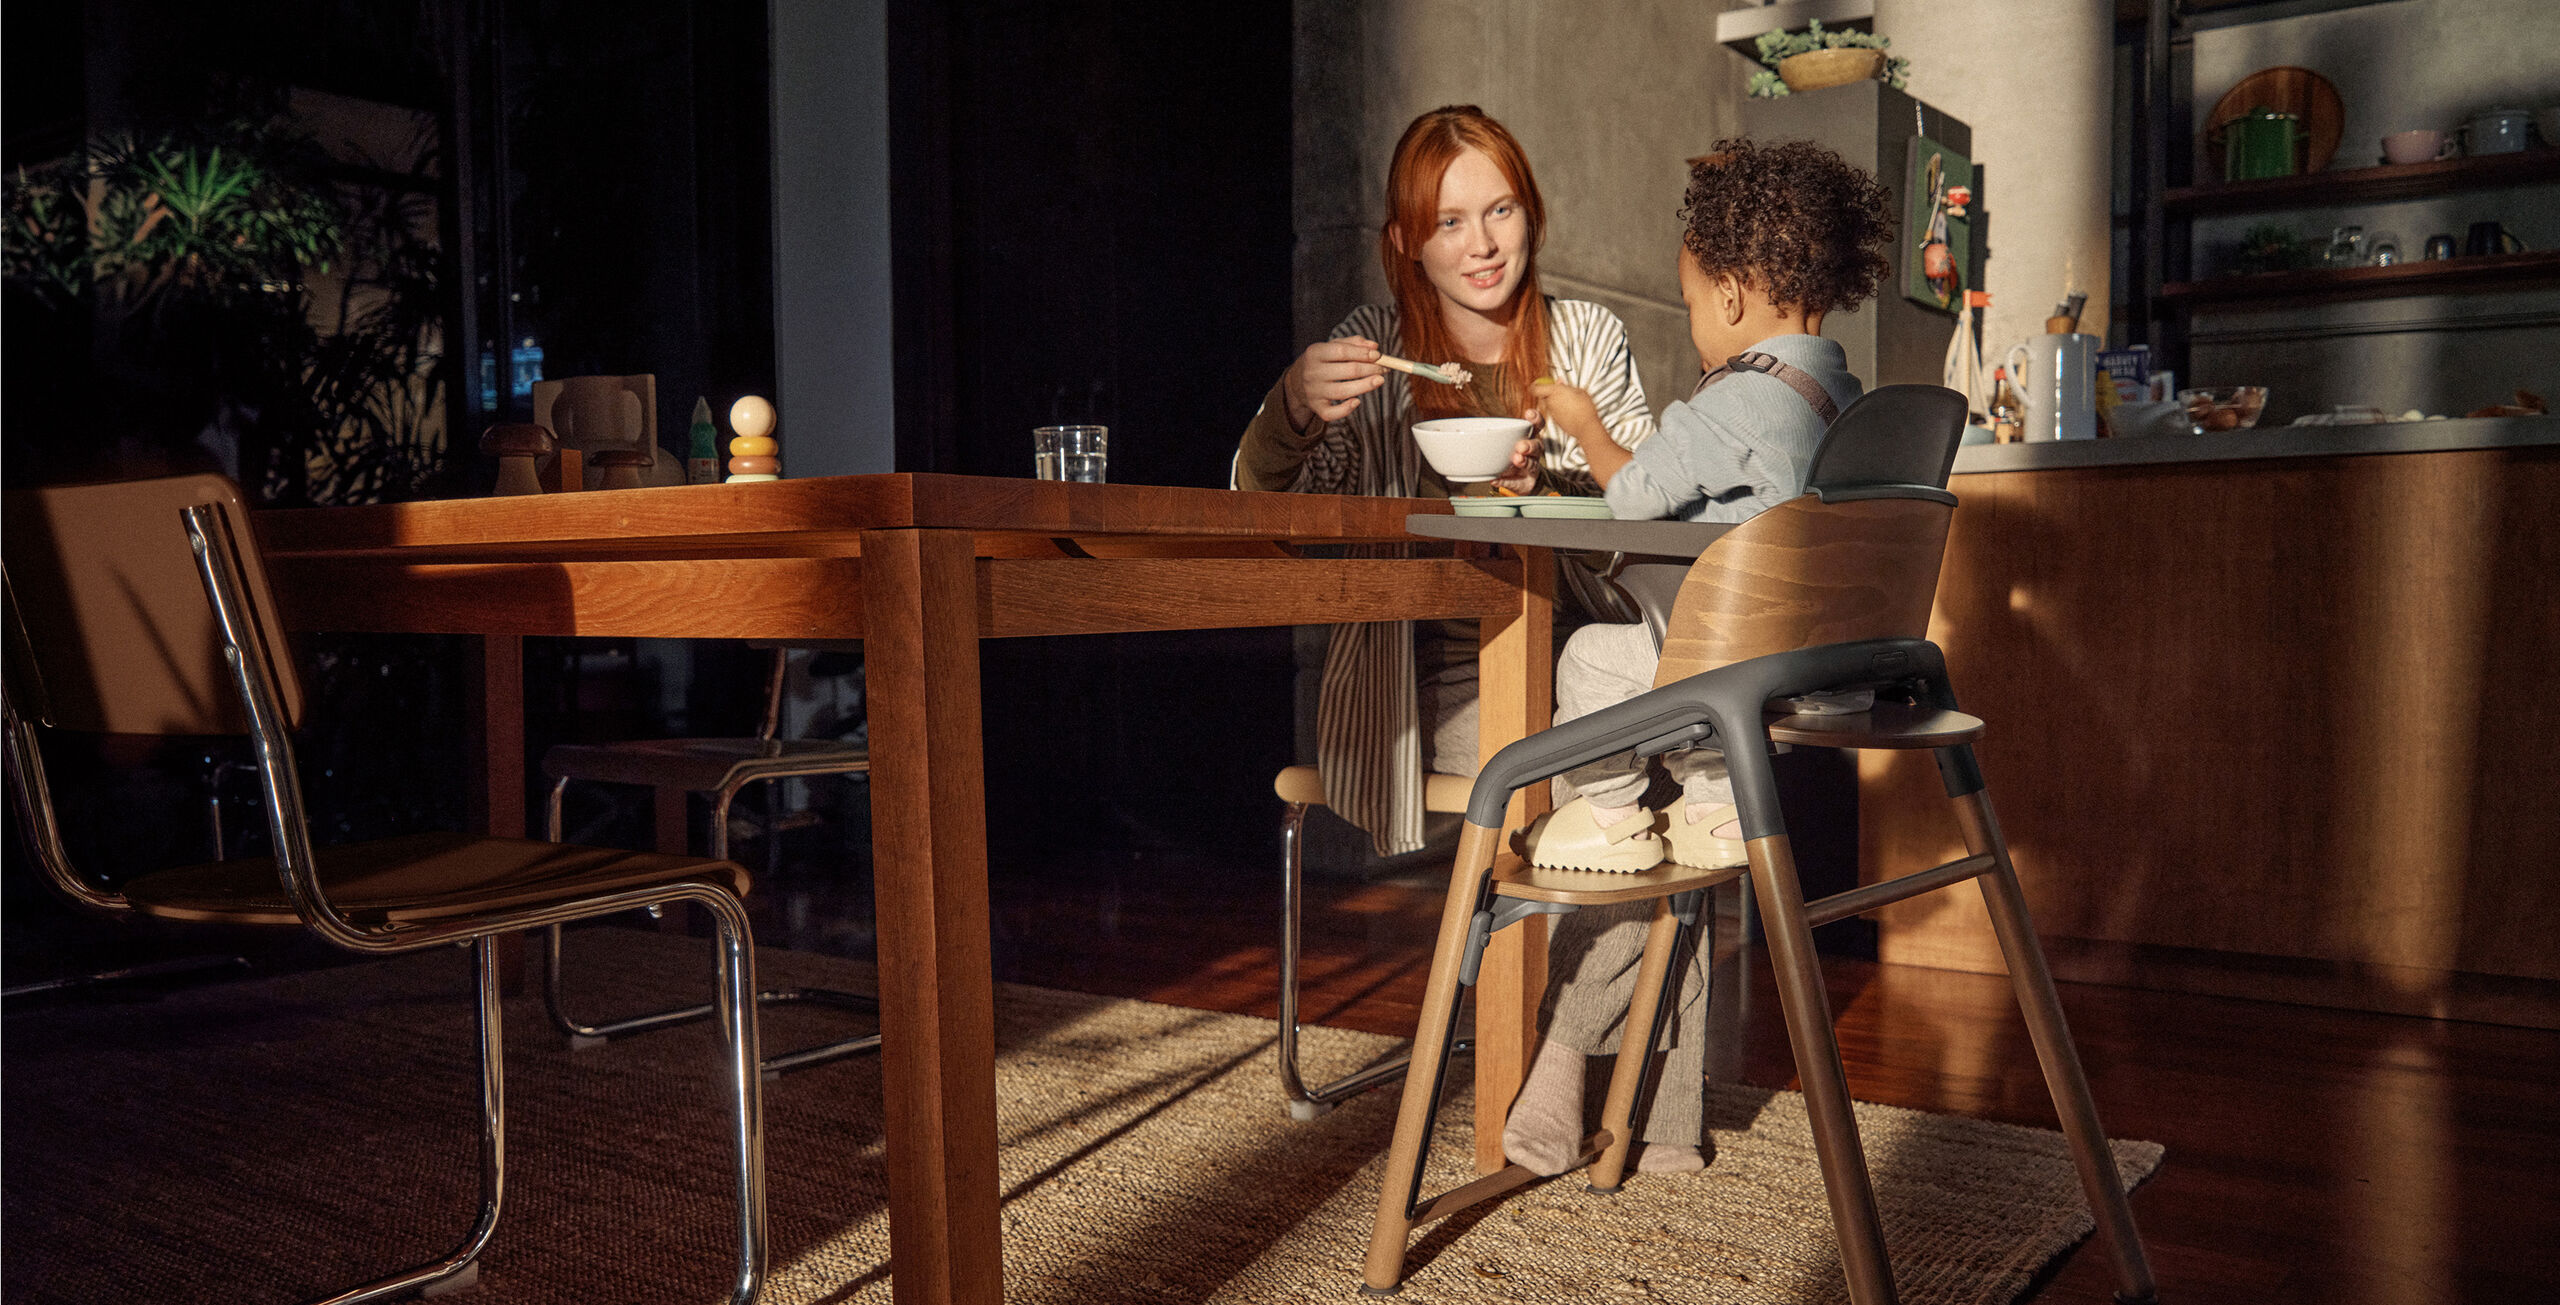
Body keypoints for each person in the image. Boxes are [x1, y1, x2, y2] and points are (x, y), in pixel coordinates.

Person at [1499, 138, 1897, 1177]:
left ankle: (1615, 827)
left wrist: (1585, 425)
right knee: (1696, 821)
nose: (1694, 330)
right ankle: (1668, 1121)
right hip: (1806, 683)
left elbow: (1632, 498)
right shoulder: (1846, 403)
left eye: (1687, 307)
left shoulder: (1737, 397)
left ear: (1731, 293)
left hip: (1725, 677)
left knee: (1589, 665)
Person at [1233, 105, 1656, 857]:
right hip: (1424, 679)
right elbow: (1269, 515)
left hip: (1578, 654)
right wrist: (1294, 403)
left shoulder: (1588, 338)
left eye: (1500, 210)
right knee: (1600, 790)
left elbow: (1649, 542)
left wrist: (1548, 497)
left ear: (1531, 212)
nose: (1484, 244)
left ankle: (1557, 980)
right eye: (1449, 222)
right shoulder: (1373, 352)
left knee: (1650, 775)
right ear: (1406, 242)